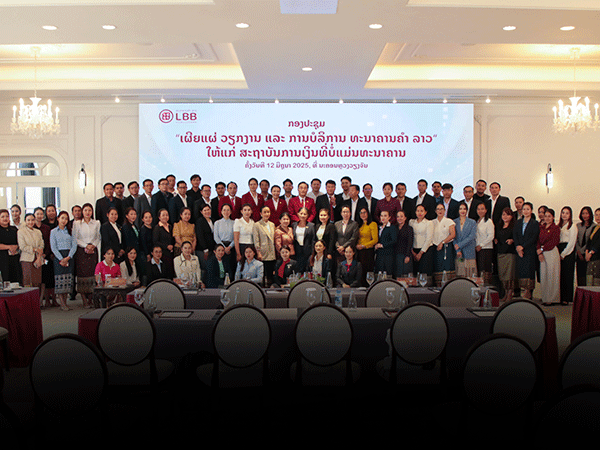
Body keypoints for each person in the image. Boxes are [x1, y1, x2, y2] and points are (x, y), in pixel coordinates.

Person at [72, 203, 100, 308]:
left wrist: (92, 246)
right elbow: (76, 238)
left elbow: (98, 237)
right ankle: (84, 300)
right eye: (85, 210)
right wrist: (86, 246)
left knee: (92, 275)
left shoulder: (96, 223)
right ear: (82, 212)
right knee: (82, 276)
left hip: (93, 251)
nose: (87, 212)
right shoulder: (77, 223)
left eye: (89, 210)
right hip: (81, 251)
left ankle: (91, 299)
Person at [50, 211, 77, 311]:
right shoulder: (53, 231)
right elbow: (53, 247)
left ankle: (65, 302)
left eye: (66, 218)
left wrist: (68, 257)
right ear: (58, 218)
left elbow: (74, 245)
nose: (64, 220)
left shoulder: (71, 231)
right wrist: (61, 259)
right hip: (59, 258)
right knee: (60, 281)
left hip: (69, 256)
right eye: (62, 218)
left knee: (67, 281)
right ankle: (62, 303)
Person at [513, 202, 539, 299]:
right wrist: (518, 247)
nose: (526, 211)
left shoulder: (534, 223)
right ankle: (523, 290)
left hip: (529, 251)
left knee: (529, 271)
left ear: (531, 211)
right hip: (519, 251)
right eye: (524, 209)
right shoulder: (518, 222)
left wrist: (522, 247)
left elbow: (533, 238)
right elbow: (515, 235)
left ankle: (529, 292)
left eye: (528, 209)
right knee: (521, 271)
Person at [538, 208, 561, 306]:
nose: (547, 218)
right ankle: (545, 297)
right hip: (542, 253)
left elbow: (554, 241)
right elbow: (537, 240)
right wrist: (539, 251)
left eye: (549, 216)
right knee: (544, 275)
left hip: (551, 252)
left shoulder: (555, 228)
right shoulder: (541, 227)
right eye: (545, 216)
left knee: (552, 275)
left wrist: (542, 249)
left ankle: (552, 298)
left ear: (553, 217)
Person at [34, 207, 56, 307]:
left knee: (46, 278)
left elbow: (48, 242)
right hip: (34, 256)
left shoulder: (46, 227)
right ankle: (39, 301)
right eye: (37, 214)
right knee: (37, 279)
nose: (39, 216)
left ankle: (48, 300)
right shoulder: (32, 226)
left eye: (41, 214)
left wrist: (45, 254)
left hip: (46, 256)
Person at [18, 213, 44, 293]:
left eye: (32, 220)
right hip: (27, 259)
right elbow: (22, 246)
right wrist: (35, 249)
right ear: (25, 221)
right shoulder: (21, 231)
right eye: (28, 220)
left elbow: (41, 245)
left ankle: (37, 300)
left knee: (37, 282)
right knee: (28, 281)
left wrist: (39, 258)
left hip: (38, 259)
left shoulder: (38, 232)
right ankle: (28, 300)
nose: (30, 222)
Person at [495, 207, 517, 303]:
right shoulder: (499, 226)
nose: (505, 216)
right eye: (503, 214)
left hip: (510, 253)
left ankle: (509, 294)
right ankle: (505, 293)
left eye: (507, 214)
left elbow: (518, 238)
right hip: (500, 252)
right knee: (502, 274)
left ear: (511, 216)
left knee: (509, 275)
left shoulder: (514, 226)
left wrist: (513, 240)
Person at [432, 203, 456, 286]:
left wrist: (442, 242)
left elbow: (453, 234)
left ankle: (448, 287)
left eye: (441, 209)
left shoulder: (449, 221)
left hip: (446, 248)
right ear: (435, 211)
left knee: (447, 267)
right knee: (437, 268)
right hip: (435, 248)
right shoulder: (432, 222)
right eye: (438, 209)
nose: (440, 211)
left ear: (445, 210)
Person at [410, 204, 434, 283]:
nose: (419, 213)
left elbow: (429, 239)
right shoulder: (411, 222)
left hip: (425, 250)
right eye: (418, 211)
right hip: (414, 250)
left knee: (424, 272)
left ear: (425, 212)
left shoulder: (429, 223)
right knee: (415, 272)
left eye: (421, 211)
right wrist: (413, 252)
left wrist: (420, 253)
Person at [558, 206, 577, 305]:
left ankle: (567, 298)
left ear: (570, 215)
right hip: (559, 249)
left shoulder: (573, 226)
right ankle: (560, 296)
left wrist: (563, 254)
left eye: (567, 213)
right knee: (560, 275)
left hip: (568, 252)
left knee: (567, 275)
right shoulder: (559, 225)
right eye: (563, 212)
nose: (564, 215)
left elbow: (572, 243)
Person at [253, 206, 276, 287]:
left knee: (270, 274)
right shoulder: (257, 225)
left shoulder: (272, 224)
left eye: (268, 212)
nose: (267, 214)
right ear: (261, 213)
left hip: (271, 252)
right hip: (263, 252)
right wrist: (258, 252)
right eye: (265, 212)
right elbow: (256, 240)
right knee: (262, 275)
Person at [453, 203, 477, 278]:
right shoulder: (454, 222)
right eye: (460, 209)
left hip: (469, 250)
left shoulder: (472, 222)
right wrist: (458, 249)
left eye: (464, 209)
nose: (462, 211)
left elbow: (472, 236)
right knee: (461, 273)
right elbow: (453, 237)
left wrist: (459, 245)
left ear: (467, 210)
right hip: (459, 252)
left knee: (470, 274)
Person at [214, 203, 236, 281]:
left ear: (231, 212)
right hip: (220, 247)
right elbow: (216, 237)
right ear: (221, 211)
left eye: (228, 210)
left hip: (231, 247)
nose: (226, 212)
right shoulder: (217, 223)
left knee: (231, 267)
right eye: (224, 210)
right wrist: (223, 248)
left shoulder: (234, 222)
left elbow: (235, 237)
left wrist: (229, 247)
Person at [356, 207, 378, 285]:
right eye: (361, 213)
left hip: (368, 251)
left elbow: (375, 240)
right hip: (359, 251)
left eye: (364, 212)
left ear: (368, 213)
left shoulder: (372, 224)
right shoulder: (359, 225)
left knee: (367, 270)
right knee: (360, 271)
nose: (363, 214)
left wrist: (363, 246)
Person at [475, 202, 495, 285]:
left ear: (486, 210)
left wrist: (481, 245)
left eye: (482, 209)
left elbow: (491, 236)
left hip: (486, 249)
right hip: (478, 249)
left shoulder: (488, 221)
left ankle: (486, 287)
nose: (480, 211)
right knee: (479, 269)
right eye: (478, 209)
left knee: (485, 269)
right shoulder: (477, 221)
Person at [0, 209, 22, 284]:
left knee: (16, 280)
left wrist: (16, 247)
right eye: (2, 217)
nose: (5, 218)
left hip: (15, 257)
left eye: (7, 216)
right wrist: (9, 247)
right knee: (6, 280)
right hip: (3, 259)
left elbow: (20, 241)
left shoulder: (14, 229)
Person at [292, 206, 315, 273]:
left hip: (307, 252)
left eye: (305, 214)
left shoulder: (311, 225)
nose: (302, 215)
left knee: (307, 270)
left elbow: (313, 240)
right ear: (298, 214)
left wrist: (312, 253)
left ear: (307, 215)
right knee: (298, 270)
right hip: (297, 251)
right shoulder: (294, 225)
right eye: (301, 213)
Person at [153, 208, 175, 278]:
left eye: (167, 215)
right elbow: (155, 241)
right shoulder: (157, 228)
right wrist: (166, 246)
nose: (165, 217)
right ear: (159, 217)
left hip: (170, 253)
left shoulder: (170, 226)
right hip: (162, 253)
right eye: (163, 215)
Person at [576, 206, 594, 287]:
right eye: (583, 213)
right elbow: (576, 239)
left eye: (586, 213)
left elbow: (590, 241)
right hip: (578, 254)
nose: (585, 215)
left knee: (587, 277)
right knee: (579, 276)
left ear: (590, 214)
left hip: (588, 254)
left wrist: (583, 251)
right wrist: (578, 251)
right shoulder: (578, 225)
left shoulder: (594, 226)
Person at [375, 210, 397, 277]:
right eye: (381, 216)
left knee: (387, 274)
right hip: (379, 255)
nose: (383, 217)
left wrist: (382, 245)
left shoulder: (392, 227)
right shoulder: (379, 227)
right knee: (379, 274)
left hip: (388, 255)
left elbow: (394, 240)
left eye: (385, 216)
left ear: (389, 217)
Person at [394, 210, 414, 278]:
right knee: (397, 275)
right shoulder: (394, 228)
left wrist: (407, 255)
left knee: (405, 275)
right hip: (396, 255)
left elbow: (410, 242)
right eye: (398, 216)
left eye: (401, 216)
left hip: (405, 254)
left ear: (405, 218)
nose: (399, 218)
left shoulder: (409, 228)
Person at [194, 204, 214, 269]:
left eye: (208, 209)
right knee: (204, 268)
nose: (207, 211)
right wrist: (205, 249)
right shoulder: (199, 221)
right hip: (202, 250)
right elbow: (200, 236)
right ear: (201, 212)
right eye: (205, 210)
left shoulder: (213, 220)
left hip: (212, 248)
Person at [585, 209, 600, 286]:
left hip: (597, 258)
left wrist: (591, 253)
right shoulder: (595, 227)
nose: (598, 217)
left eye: (599, 215)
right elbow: (589, 241)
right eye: (596, 215)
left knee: (596, 282)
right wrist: (587, 252)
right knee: (589, 281)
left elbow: (598, 244)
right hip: (591, 258)